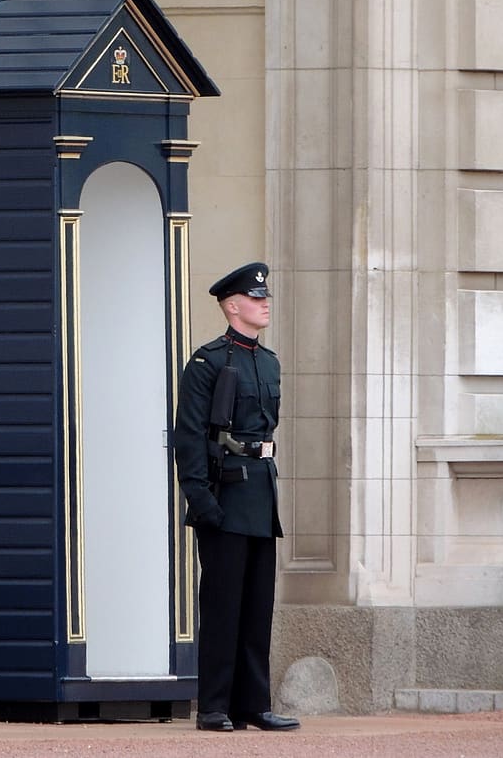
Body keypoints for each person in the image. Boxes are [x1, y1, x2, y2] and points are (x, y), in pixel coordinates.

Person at [174, 261, 299, 733]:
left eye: (265, 297)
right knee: (224, 605)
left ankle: (253, 703)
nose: (264, 303)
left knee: (256, 606)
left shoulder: (268, 363)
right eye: (255, 297)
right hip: (225, 495)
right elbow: (189, 437)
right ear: (232, 306)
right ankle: (214, 706)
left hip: (259, 494)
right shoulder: (207, 362)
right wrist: (201, 500)